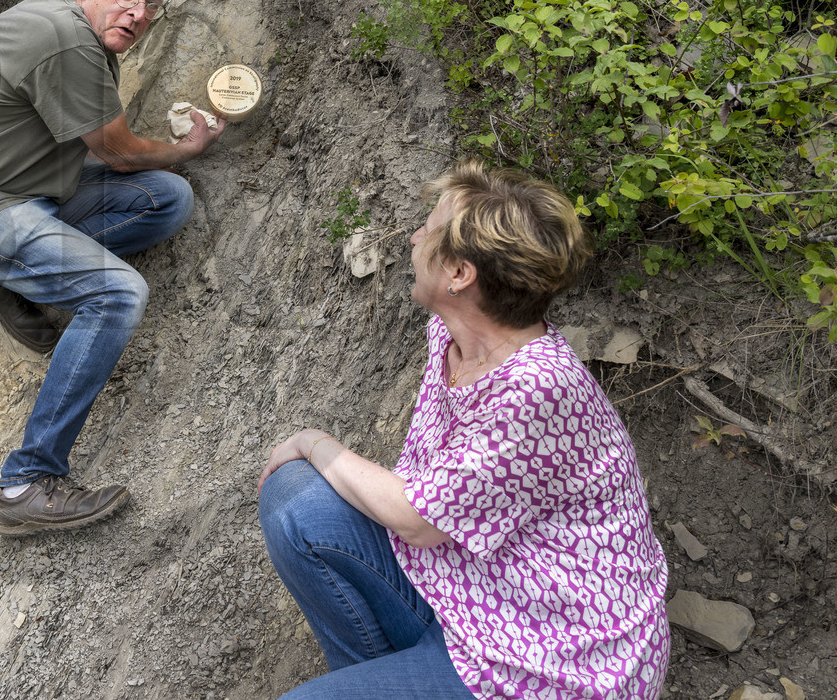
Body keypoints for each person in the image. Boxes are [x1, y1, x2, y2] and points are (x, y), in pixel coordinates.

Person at [256, 161, 669, 698]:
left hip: (553, 663)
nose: (412, 237)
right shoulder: (452, 340)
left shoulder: (538, 390)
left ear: (458, 275)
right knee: (294, 500)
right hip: (471, 597)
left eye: (426, 229)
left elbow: (418, 521)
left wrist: (314, 441)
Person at [0, 0, 225, 536]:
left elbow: (107, 153)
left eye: (152, 3)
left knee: (168, 201)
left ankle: (6, 279)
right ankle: (27, 482)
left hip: (25, 190)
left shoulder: (70, 25)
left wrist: (171, 162)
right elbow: (120, 152)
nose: (137, 13)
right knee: (119, 293)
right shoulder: (67, 39)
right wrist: (187, 146)